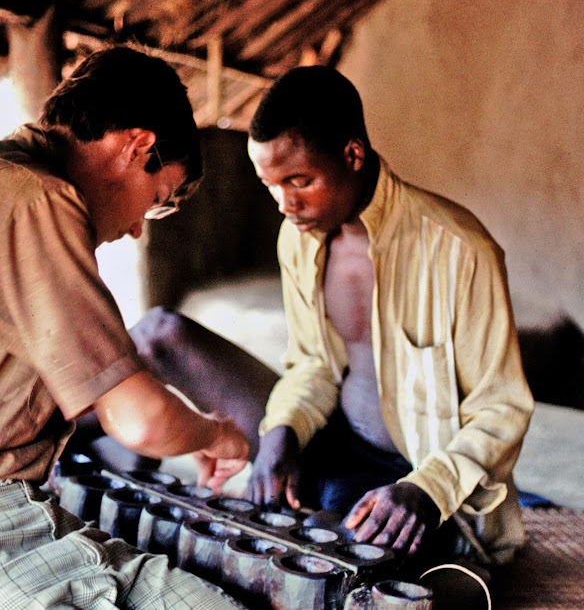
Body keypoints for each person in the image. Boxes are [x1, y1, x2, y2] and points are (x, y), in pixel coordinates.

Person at [131, 66, 535, 576]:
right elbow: (313, 365)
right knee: (162, 336)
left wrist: (426, 489)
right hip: (333, 442)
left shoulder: (458, 250)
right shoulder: (298, 238)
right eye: (271, 185)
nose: (286, 204)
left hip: (411, 480)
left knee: (329, 564)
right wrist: (281, 431)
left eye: (300, 181)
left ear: (353, 155)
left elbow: (501, 408)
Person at [0, 46, 250, 609]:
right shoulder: (41, 200)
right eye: (156, 200)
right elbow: (139, 420)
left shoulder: (9, 178)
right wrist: (217, 434)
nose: (138, 228)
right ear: (137, 147)